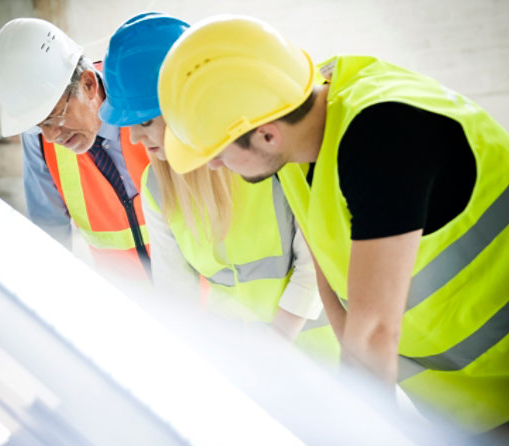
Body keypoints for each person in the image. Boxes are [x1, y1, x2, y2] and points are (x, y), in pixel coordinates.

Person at [156, 15, 509, 446]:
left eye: (216, 151)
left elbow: (375, 332)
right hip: (483, 403)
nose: (211, 166)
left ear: (266, 134)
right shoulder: (294, 133)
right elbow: (333, 281)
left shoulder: (383, 136)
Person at [100, 13, 339, 361]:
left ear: (185, 105)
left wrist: (268, 356)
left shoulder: (271, 155)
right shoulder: (157, 186)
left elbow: (315, 271)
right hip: (239, 365)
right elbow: (175, 296)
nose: (135, 138)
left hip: (319, 362)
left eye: (146, 121)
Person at [0, 18, 151, 293]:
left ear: (88, 85)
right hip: (129, 308)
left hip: (205, 303)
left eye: (55, 118)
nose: (50, 136)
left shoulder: (142, 99)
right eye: (38, 125)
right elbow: (50, 233)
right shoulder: (38, 140)